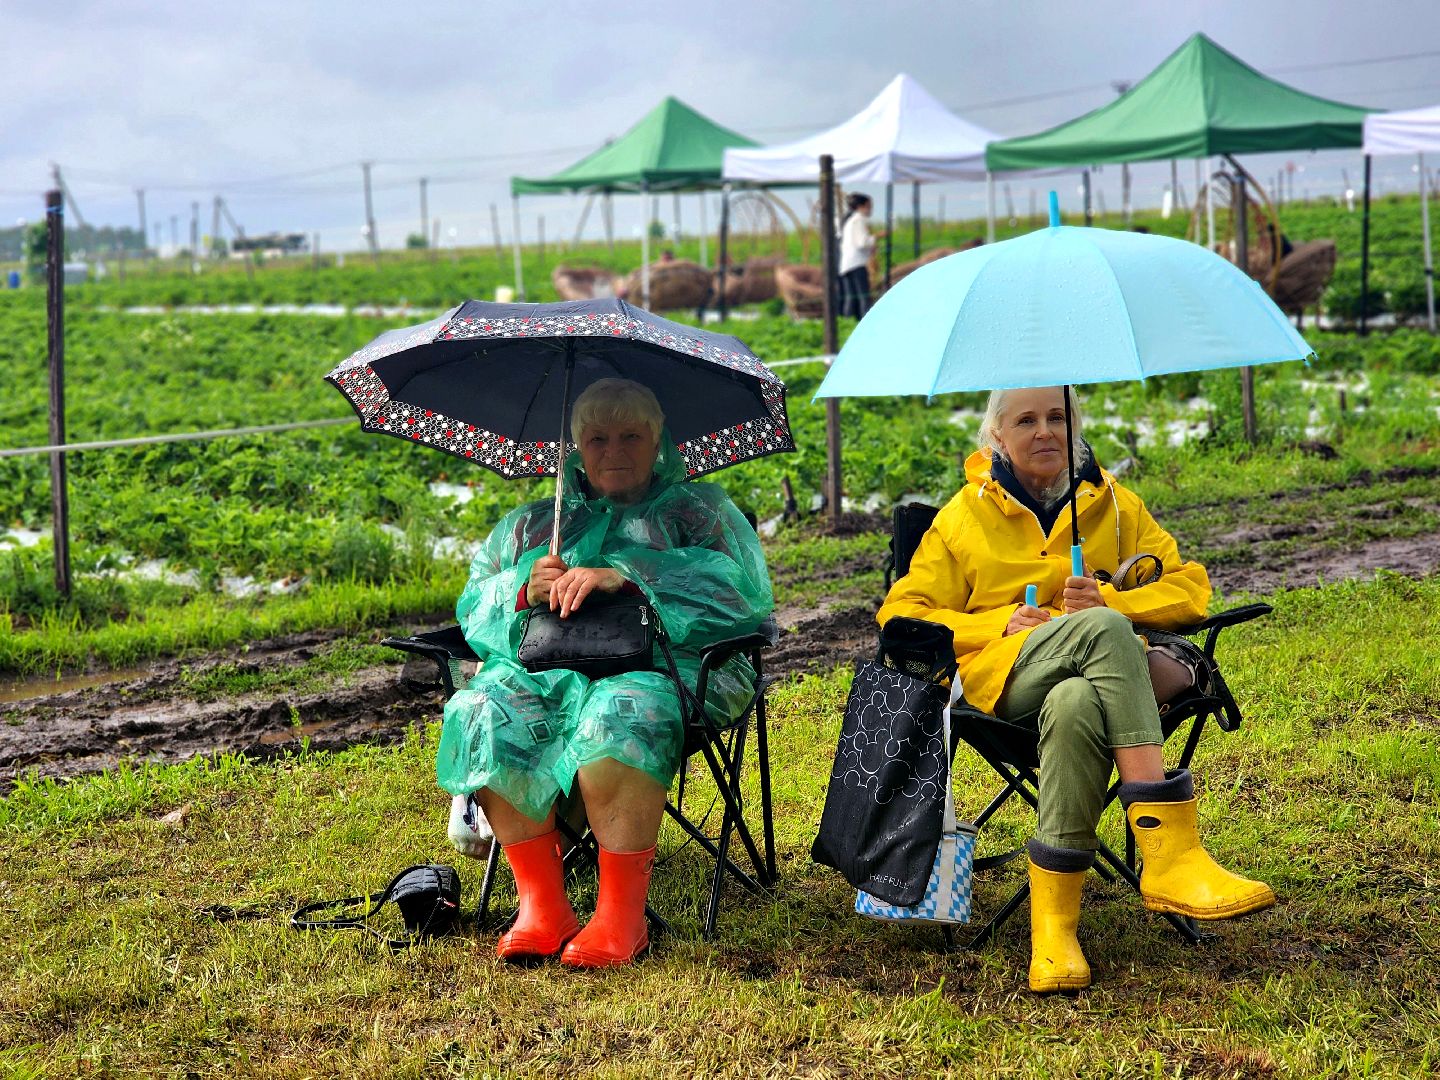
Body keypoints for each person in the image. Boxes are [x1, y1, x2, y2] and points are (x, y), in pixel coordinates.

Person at [878, 385, 1274, 994]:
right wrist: (998, 623)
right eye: (1025, 420)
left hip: (1102, 685)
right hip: (1006, 681)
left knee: (1076, 699)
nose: (1044, 431)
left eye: (1057, 417)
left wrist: (1111, 598)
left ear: (1074, 425)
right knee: (1105, 631)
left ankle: (1054, 933)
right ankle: (1169, 854)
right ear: (997, 435)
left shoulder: (1113, 503)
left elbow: (1190, 589)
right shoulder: (962, 517)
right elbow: (900, 615)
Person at [436, 378, 773, 968]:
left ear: (657, 440)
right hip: (547, 669)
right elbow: (474, 609)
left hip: (672, 667)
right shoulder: (533, 525)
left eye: (630, 437)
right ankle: (542, 907)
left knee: (618, 711)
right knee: (482, 711)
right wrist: (523, 590)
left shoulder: (699, 515)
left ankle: (621, 918)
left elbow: (743, 598)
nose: (614, 451)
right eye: (597, 439)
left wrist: (631, 577)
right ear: (576, 447)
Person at [838, 193, 878, 318]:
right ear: (861, 207)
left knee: (851, 297)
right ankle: (866, 323)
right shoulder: (859, 220)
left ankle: (847, 323)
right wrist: (877, 237)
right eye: (869, 206)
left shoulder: (850, 221)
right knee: (863, 296)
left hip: (846, 264)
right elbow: (862, 242)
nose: (871, 209)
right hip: (857, 263)